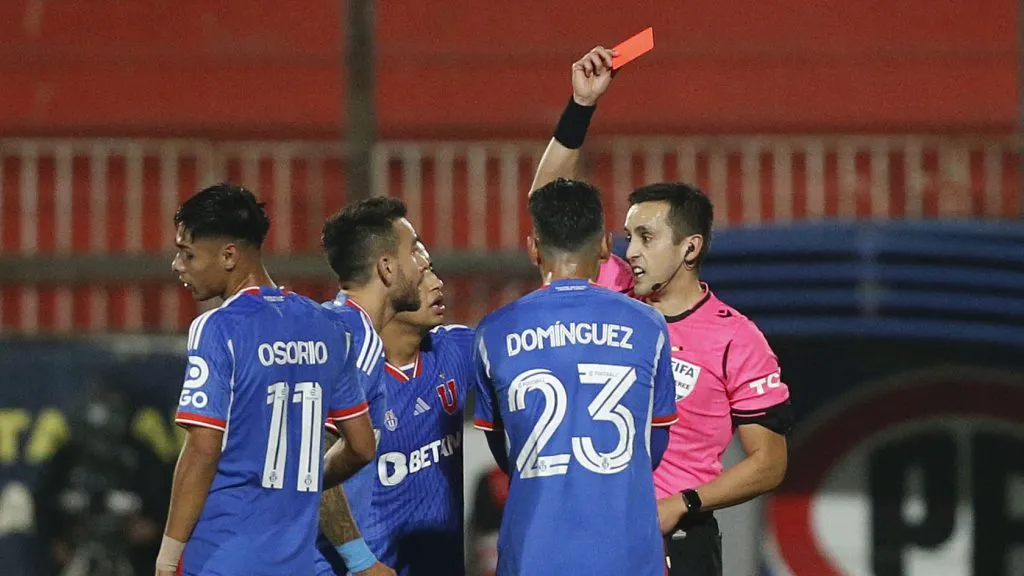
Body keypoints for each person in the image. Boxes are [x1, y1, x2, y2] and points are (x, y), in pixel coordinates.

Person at [530, 47, 793, 576]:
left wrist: (683, 504)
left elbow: (769, 462)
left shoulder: (736, 339)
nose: (631, 251)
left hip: (678, 535)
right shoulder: (610, 291)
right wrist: (581, 106)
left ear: (690, 248)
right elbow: (548, 208)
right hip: (585, 530)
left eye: (647, 237)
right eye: (629, 236)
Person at [156, 183, 378, 576]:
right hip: (296, 561)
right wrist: (300, 481)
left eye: (187, 253)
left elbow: (202, 450)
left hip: (222, 557)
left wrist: (168, 557)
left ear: (228, 255)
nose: (177, 265)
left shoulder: (217, 329)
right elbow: (361, 446)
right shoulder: (330, 327)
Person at [471, 179, 678, 575]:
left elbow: (506, 450)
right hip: (628, 555)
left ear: (533, 246)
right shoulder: (648, 326)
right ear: (604, 244)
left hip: (532, 555)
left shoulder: (494, 332)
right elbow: (653, 446)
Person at [315, 196, 428, 576]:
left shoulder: (338, 328)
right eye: (413, 250)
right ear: (386, 267)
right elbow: (313, 463)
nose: (422, 262)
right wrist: (361, 562)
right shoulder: (356, 338)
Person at [358, 241, 475, 576]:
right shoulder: (355, 378)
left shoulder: (457, 349)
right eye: (422, 276)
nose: (437, 283)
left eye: (434, 270)